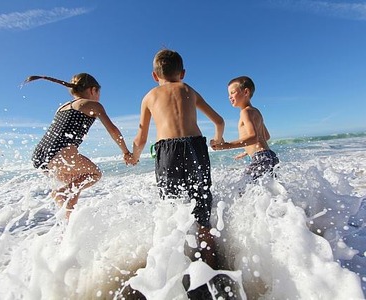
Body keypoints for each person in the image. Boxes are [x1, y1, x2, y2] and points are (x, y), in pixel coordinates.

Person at [129, 49, 225, 269]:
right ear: (182, 73)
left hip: (167, 151)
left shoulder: (150, 96)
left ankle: (174, 270)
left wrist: (133, 157)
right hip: (196, 147)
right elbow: (219, 121)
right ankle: (212, 265)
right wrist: (218, 140)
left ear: (155, 76)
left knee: (172, 207)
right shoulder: (189, 90)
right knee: (202, 206)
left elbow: (141, 138)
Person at [25, 73, 133, 218]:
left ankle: (68, 221)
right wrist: (126, 152)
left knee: (75, 183)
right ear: (93, 90)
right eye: (99, 93)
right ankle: (60, 193)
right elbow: (113, 130)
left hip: (40, 156)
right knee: (94, 174)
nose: (99, 97)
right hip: (60, 153)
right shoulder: (92, 105)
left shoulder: (63, 107)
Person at [210, 76, 279, 181]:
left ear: (246, 92)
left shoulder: (245, 112)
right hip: (270, 156)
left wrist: (225, 146)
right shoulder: (256, 111)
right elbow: (266, 137)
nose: (229, 97)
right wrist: (247, 151)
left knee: (242, 189)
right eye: (229, 94)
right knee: (270, 190)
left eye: (232, 92)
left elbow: (254, 137)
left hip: (261, 158)